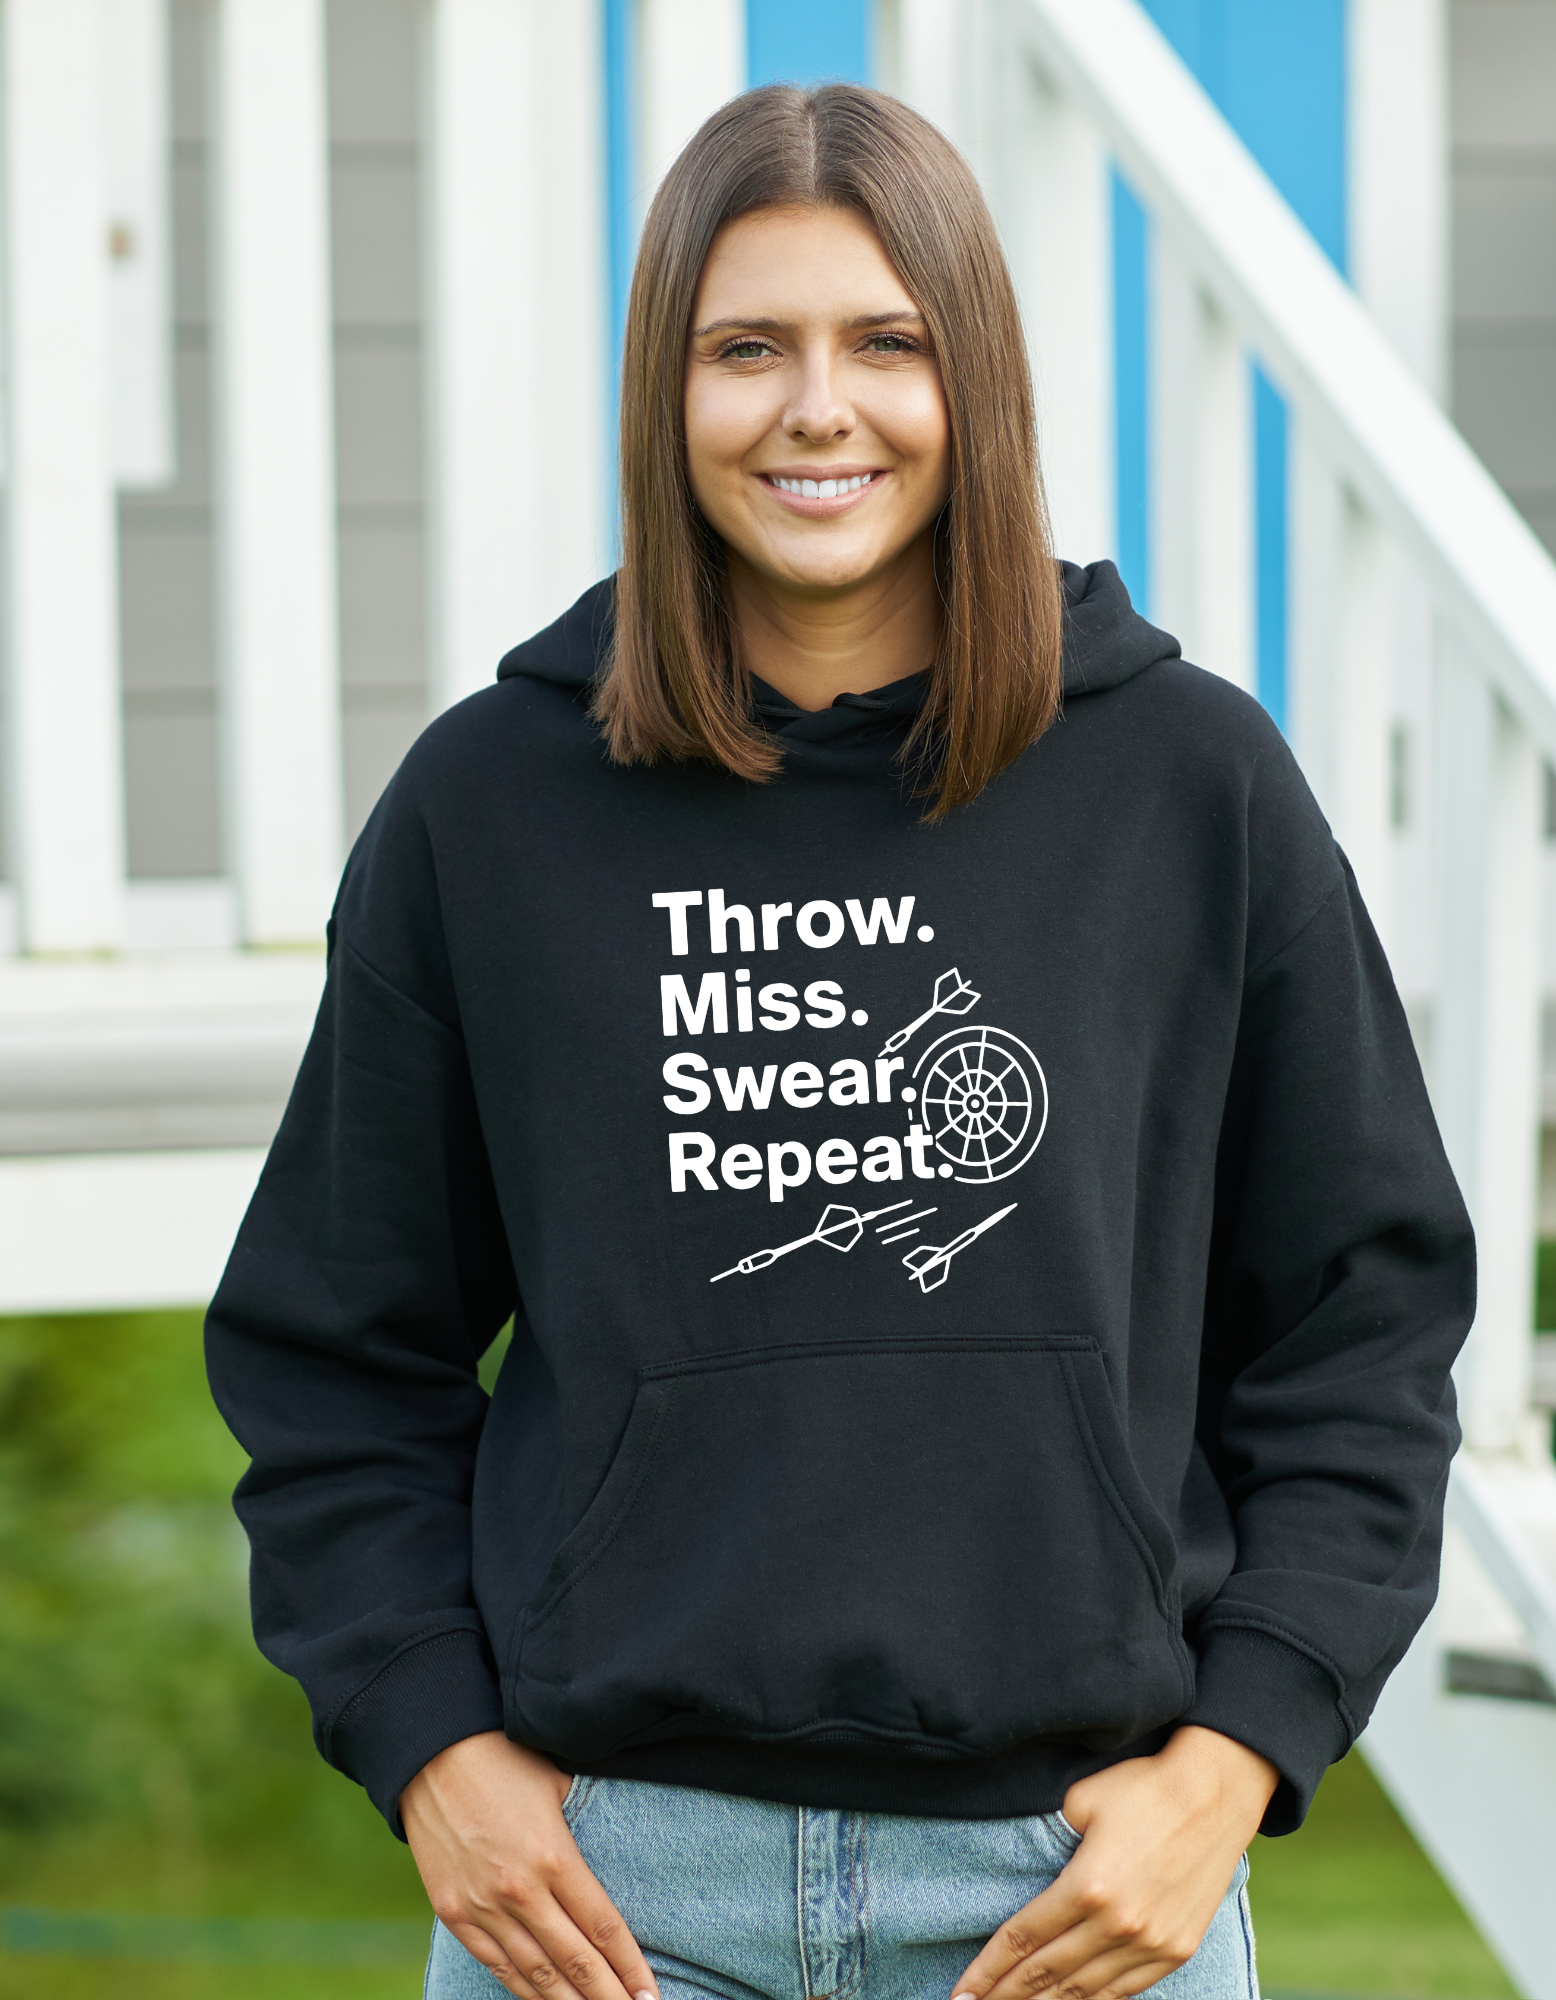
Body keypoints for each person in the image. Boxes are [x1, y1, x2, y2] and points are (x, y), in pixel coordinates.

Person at [206, 83, 1472, 2000]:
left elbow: (1362, 1323)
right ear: (666, 393)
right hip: (611, 1905)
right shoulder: (493, 809)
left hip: (1075, 1892)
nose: (820, 410)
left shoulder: (1185, 784)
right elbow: (332, 1347)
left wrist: (1235, 1761)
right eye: (747, 350)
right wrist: (431, 1745)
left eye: (888, 343)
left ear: (976, 382)